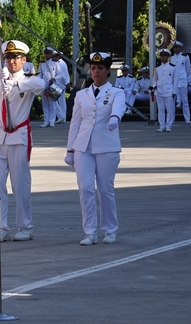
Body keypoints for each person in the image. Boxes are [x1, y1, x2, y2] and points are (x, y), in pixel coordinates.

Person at [0, 40, 45, 242]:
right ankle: (1, 228)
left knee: (20, 185)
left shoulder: (28, 80)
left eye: (15, 57)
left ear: (23, 60)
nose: (11, 61)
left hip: (18, 137)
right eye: (8, 57)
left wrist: (16, 83)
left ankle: (25, 226)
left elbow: (41, 85)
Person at [64, 52, 125, 246]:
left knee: (105, 189)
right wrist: (70, 149)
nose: (96, 71)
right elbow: (75, 123)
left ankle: (109, 229)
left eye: (100, 68)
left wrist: (115, 118)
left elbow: (119, 107)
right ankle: (89, 231)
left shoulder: (116, 92)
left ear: (108, 71)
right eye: (93, 68)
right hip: (83, 146)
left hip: (106, 146)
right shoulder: (82, 94)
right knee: (86, 188)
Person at [152, 48, 178, 132]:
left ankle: (168, 126)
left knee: (169, 109)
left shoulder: (173, 67)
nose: (163, 57)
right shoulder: (157, 68)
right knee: (161, 109)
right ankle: (162, 125)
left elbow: (175, 80)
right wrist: (154, 86)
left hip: (169, 90)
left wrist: (174, 91)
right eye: (162, 56)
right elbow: (155, 79)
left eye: (165, 56)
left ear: (168, 57)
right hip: (159, 91)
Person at [170, 41, 191, 123]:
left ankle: (187, 118)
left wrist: (186, 79)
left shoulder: (185, 57)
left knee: (184, 100)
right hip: (173, 81)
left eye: (177, 47)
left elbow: (188, 70)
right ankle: (172, 118)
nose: (175, 49)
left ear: (180, 48)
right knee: (172, 101)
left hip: (182, 80)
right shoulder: (171, 58)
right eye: (174, 47)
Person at [39, 46, 59, 127]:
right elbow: (40, 75)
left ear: (51, 54)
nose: (46, 55)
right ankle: (46, 121)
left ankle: (52, 121)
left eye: (48, 53)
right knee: (45, 104)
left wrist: (55, 78)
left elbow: (60, 74)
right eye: (45, 53)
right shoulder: (42, 65)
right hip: (44, 86)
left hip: (52, 85)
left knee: (52, 104)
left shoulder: (55, 64)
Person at [52, 50, 71, 123]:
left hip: (59, 84)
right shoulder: (63, 63)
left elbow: (63, 75)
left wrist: (67, 83)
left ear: (58, 57)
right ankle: (63, 118)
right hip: (61, 84)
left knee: (53, 100)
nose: (52, 58)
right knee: (62, 102)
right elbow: (66, 75)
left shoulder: (60, 64)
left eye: (54, 56)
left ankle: (61, 116)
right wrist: (67, 83)